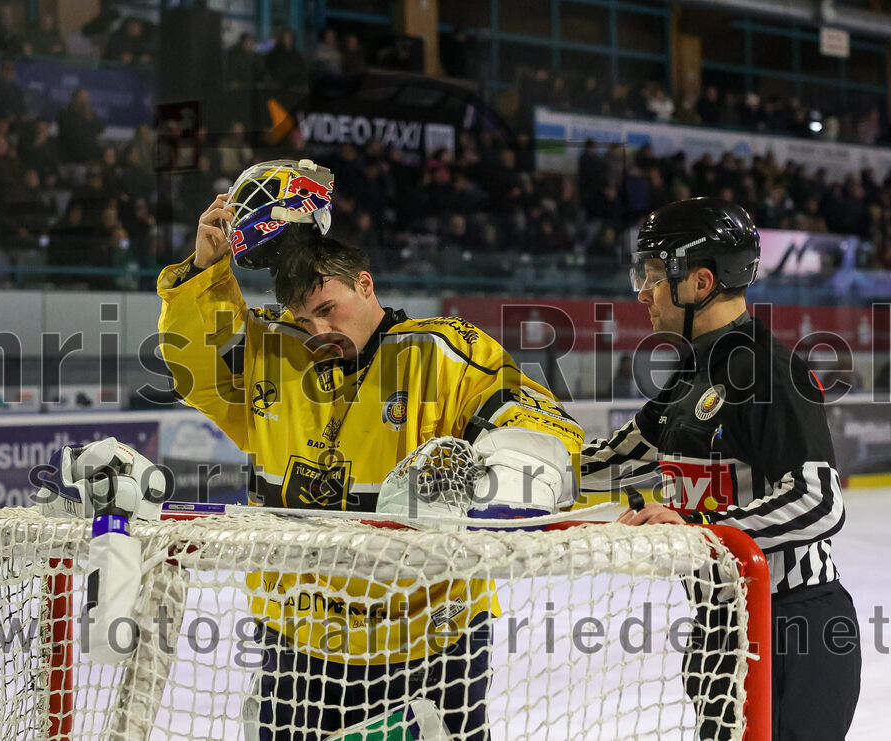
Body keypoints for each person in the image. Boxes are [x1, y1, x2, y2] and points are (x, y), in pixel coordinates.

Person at [157, 160, 585, 740]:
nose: (317, 333)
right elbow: (196, 372)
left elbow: (533, 419)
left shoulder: (439, 351)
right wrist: (205, 270)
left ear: (365, 284)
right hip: (297, 638)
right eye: (303, 319)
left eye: (328, 310)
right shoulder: (274, 354)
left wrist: (504, 483)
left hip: (432, 636)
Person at [581, 197, 860, 740]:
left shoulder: (770, 371)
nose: (642, 291)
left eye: (656, 275)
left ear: (700, 281)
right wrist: (522, 461)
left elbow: (819, 500)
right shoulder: (691, 372)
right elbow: (619, 460)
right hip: (723, 626)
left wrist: (698, 534)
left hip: (793, 629)